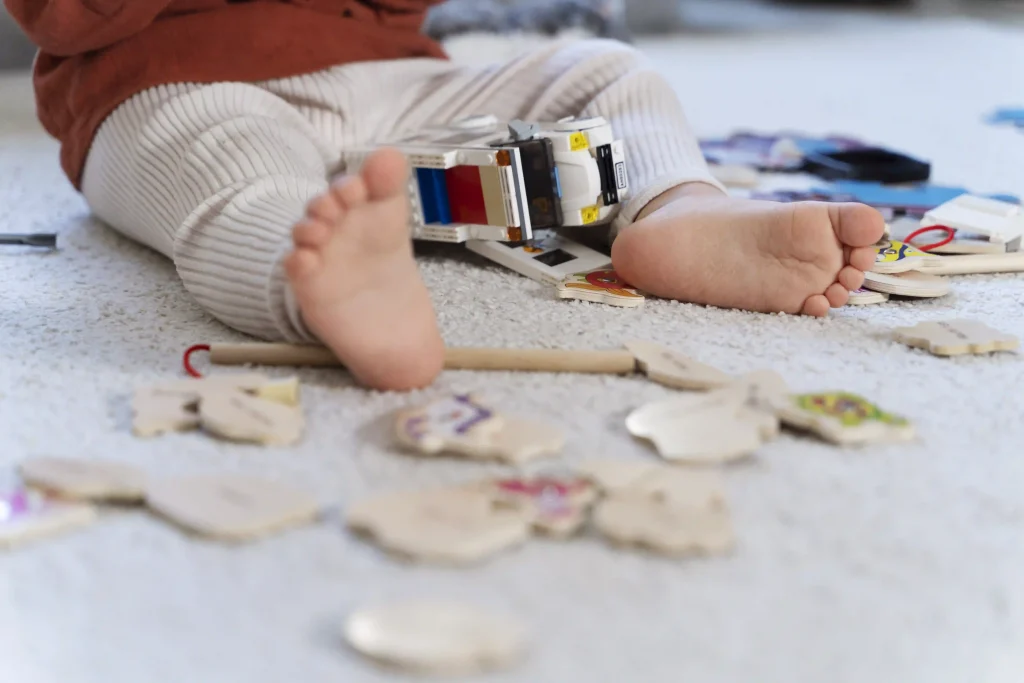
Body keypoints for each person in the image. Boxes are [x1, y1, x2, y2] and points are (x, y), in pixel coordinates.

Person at [5, 1, 885, 390]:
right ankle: (325, 283)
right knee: (239, 180)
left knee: (607, 73)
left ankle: (678, 207)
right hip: (173, 84)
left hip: (389, 82)